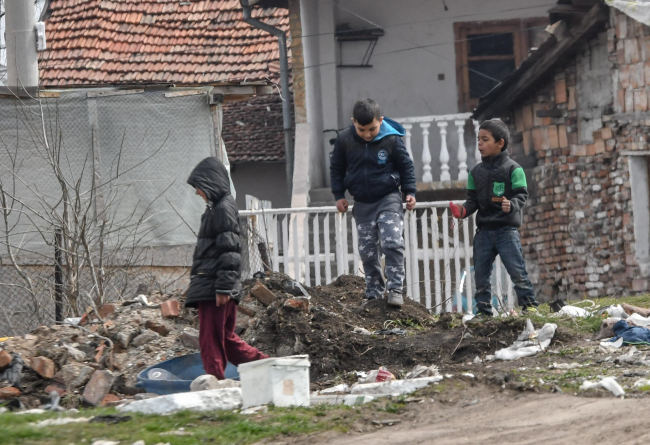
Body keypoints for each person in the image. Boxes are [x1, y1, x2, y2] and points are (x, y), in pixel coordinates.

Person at [185, 157, 268, 379]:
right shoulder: (218, 208)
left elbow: (230, 251)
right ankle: (269, 368)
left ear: (210, 183)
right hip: (216, 285)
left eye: (198, 187)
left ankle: (214, 383)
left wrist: (223, 288)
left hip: (215, 286)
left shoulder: (222, 209)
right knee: (225, 339)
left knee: (210, 339)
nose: (197, 193)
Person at [330, 98, 417, 307]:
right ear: (353, 123)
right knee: (368, 251)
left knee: (392, 242)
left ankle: (395, 288)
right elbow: (336, 169)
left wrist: (410, 191)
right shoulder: (344, 140)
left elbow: (406, 167)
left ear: (381, 121)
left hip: (388, 198)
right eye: (361, 130)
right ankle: (374, 292)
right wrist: (339, 195)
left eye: (372, 129)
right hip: (362, 203)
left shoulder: (392, 140)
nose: (367, 134)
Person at [450, 119, 539, 316]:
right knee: (481, 275)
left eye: (485, 139)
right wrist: (462, 211)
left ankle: (530, 307)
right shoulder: (475, 173)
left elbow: (522, 195)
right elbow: (472, 201)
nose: (480, 144)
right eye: (478, 139)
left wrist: (511, 205)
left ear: (500, 143)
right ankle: (483, 312)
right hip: (483, 233)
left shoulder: (513, 169)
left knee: (517, 272)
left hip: (506, 231)